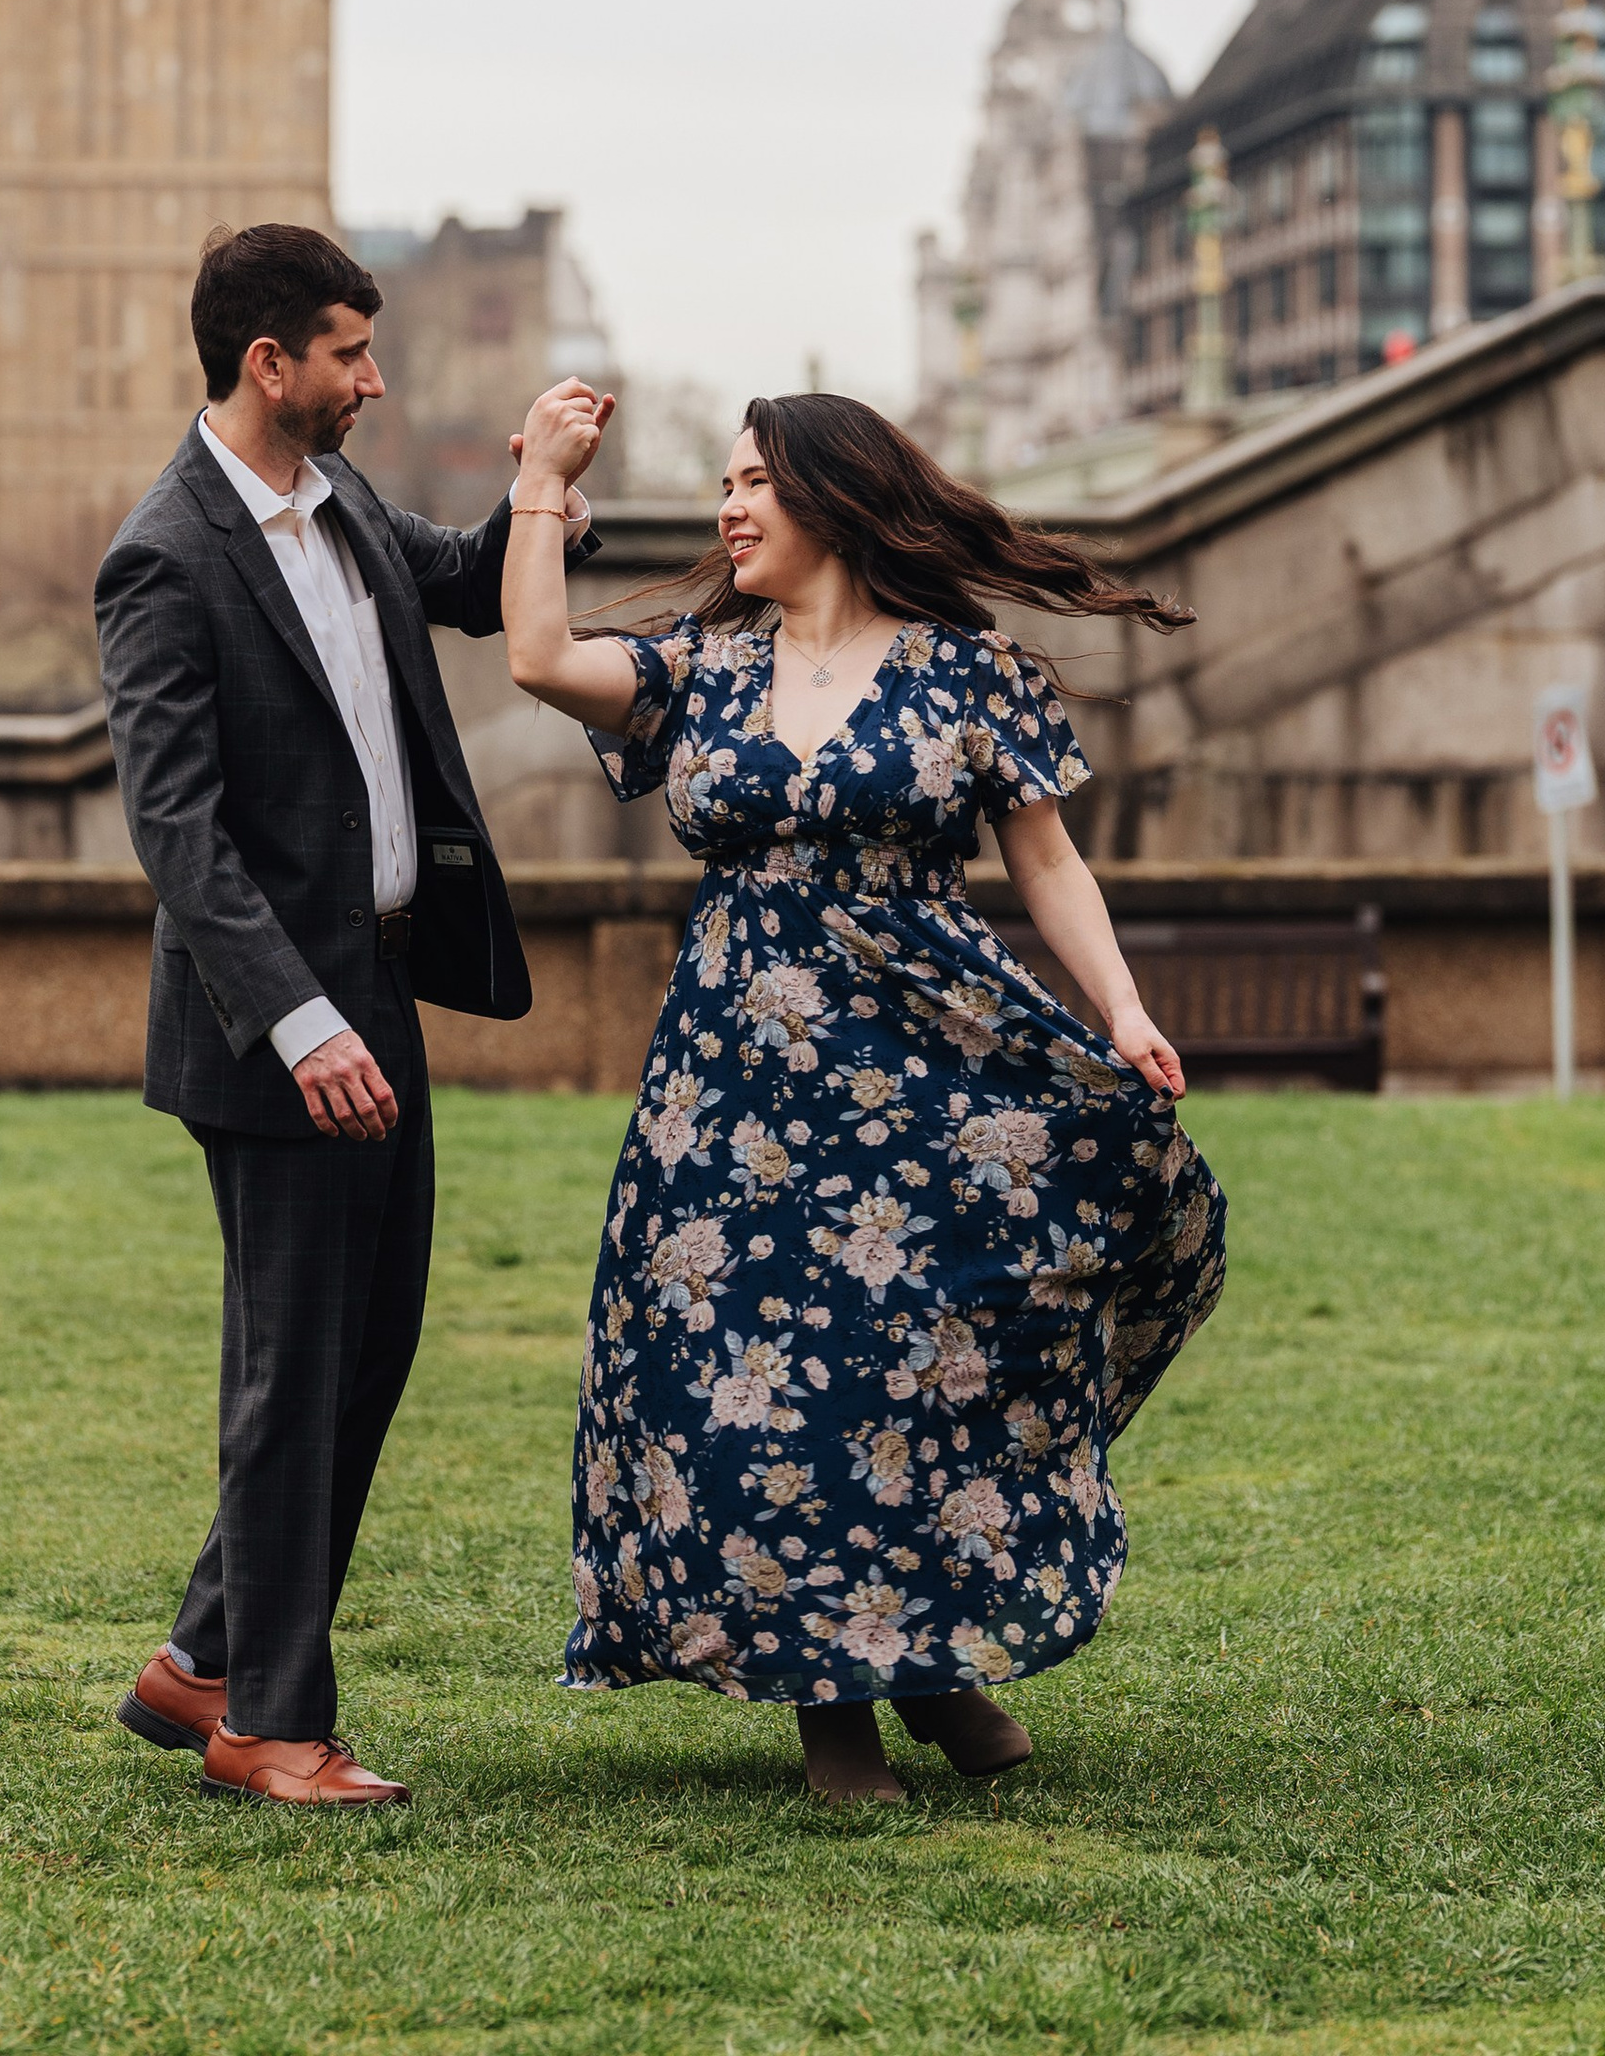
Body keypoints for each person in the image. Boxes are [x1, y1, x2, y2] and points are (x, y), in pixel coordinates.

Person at [504, 384, 1225, 1805]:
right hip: (732, 1093)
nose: (728, 508)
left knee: (923, 1358)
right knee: (753, 1378)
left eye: (753, 483)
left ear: (830, 497)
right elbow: (535, 655)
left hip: (926, 1069)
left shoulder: (968, 670)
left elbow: (1046, 859)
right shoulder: (701, 670)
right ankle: (830, 1702)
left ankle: (931, 1665)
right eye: (724, 483)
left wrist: (1124, 1010)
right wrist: (541, 484)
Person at [97, 222, 607, 1808]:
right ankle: (269, 1721)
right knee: (293, 1369)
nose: (374, 380)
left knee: (365, 1352)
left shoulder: (346, 504)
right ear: (270, 364)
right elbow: (177, 831)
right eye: (349, 353)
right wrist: (302, 1023)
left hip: (380, 986)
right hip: (280, 1030)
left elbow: (471, 580)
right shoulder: (164, 553)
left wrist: (543, 483)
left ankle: (202, 1658)